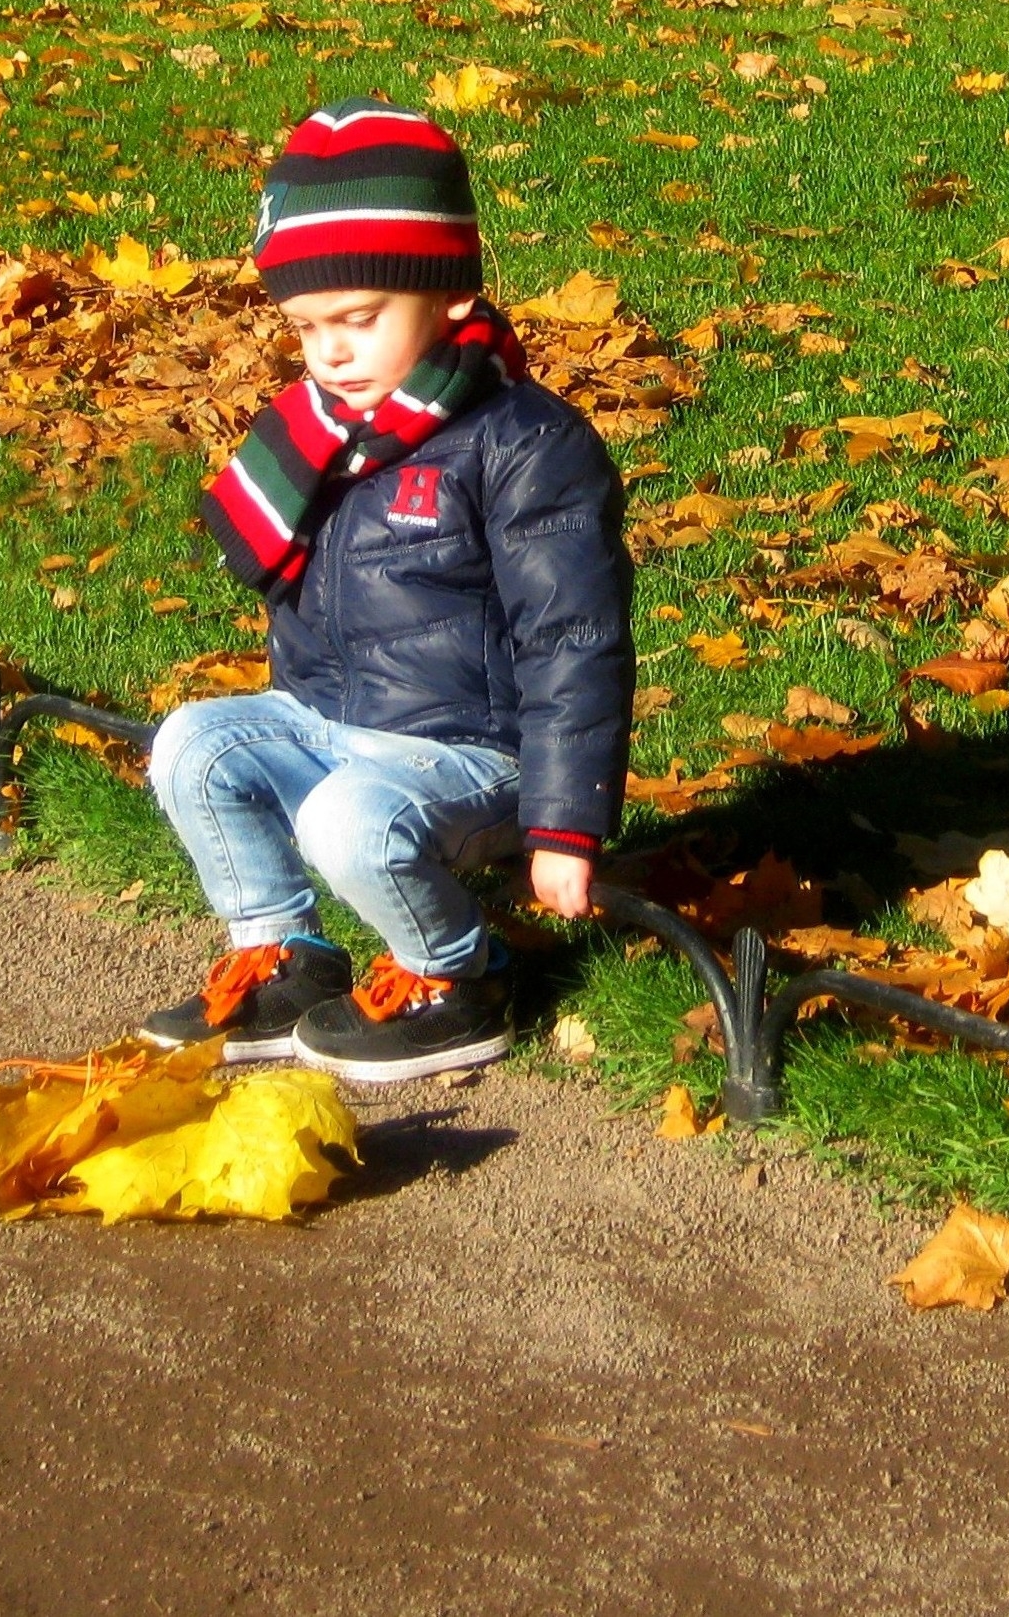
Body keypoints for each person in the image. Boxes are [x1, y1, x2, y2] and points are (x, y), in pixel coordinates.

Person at [134, 94, 634, 1085]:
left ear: (446, 296)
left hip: (470, 755)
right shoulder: (319, 436)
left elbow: (573, 637)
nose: (329, 352)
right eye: (305, 327)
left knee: (348, 819)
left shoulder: (524, 445)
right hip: (332, 722)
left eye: (359, 320)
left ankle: (458, 975)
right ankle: (283, 952)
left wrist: (566, 825)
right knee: (193, 743)